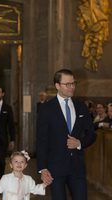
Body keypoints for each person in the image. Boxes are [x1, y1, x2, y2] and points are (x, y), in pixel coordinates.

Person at [36, 68, 96, 200]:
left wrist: (80, 143)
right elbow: (41, 140)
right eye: (67, 84)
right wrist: (43, 168)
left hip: (77, 168)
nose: (72, 87)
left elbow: (91, 134)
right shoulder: (46, 109)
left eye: (73, 83)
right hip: (55, 168)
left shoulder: (81, 106)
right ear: (57, 85)